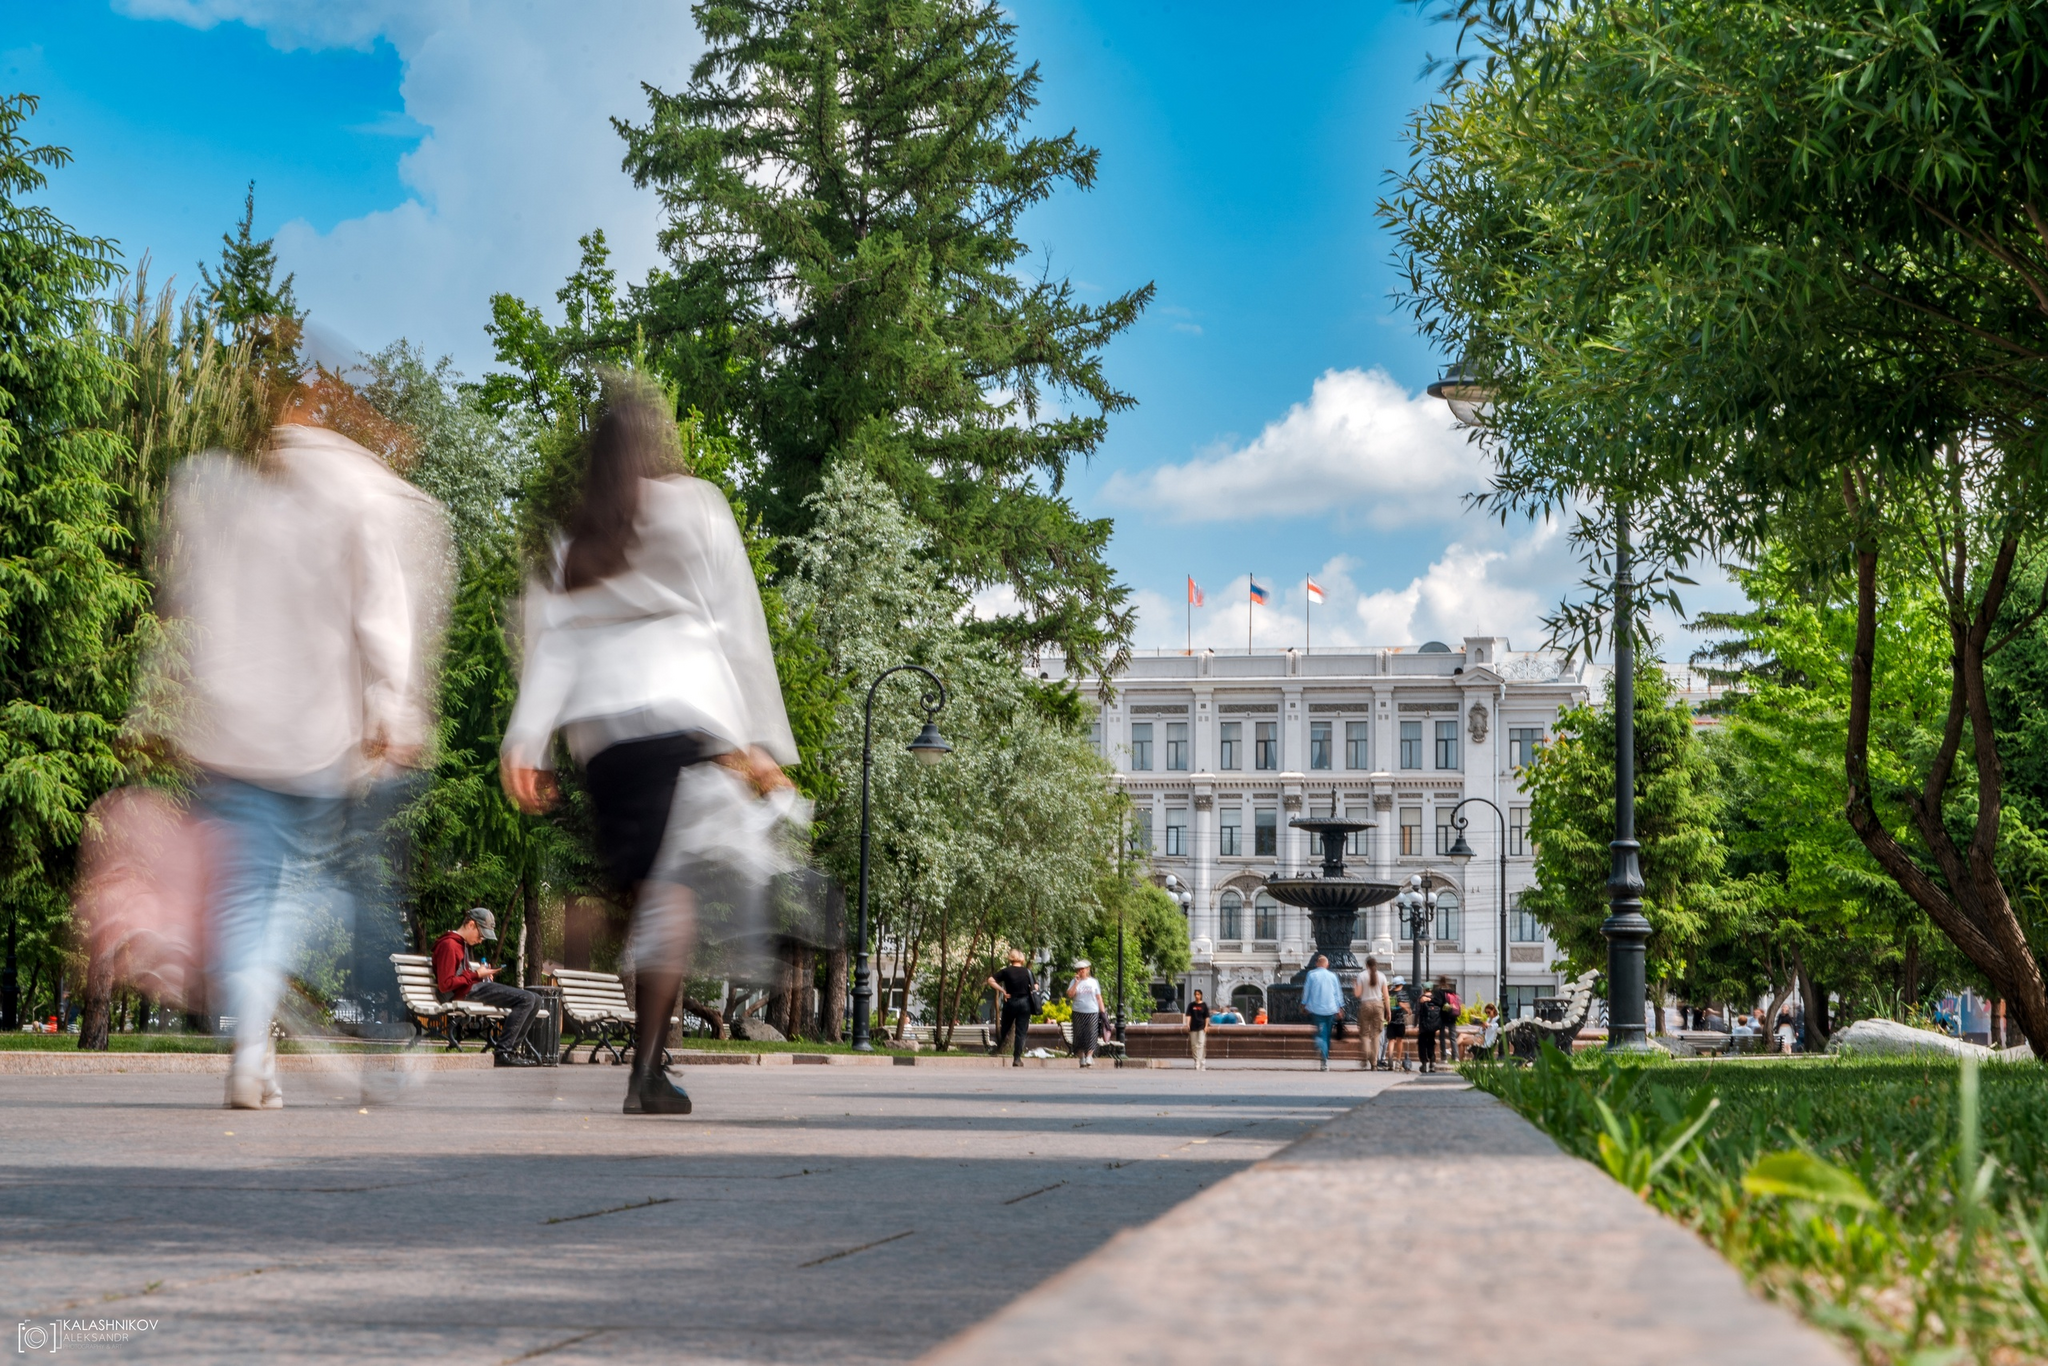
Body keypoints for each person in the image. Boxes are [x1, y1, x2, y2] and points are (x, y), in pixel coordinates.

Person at [151, 380, 451, 1110]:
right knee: (319, 885)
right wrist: (391, 708)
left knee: (247, 896)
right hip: (315, 738)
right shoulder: (357, 490)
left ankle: (252, 1050)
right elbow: (382, 610)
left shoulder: (230, 494)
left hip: (229, 736)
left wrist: (169, 711)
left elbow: (190, 606)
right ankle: (357, 1033)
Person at [501, 390, 797, 1117]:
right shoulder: (696, 505)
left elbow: (555, 641)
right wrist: (757, 740)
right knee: (673, 895)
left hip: (603, 734)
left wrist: (526, 738)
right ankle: (647, 1070)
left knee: (639, 886)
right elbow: (737, 622)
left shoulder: (580, 541)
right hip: (680, 709)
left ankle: (590, 928)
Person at [432, 909, 540, 1065]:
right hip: (467, 993)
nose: (481, 940)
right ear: (471, 925)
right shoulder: (449, 945)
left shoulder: (459, 944)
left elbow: (460, 975)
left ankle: (510, 1052)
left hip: (473, 988)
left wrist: (482, 976)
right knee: (527, 998)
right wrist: (476, 975)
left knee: (536, 999)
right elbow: (445, 985)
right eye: (481, 935)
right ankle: (503, 1052)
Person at [987, 949, 1038, 1067]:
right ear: (1022, 959)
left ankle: (997, 1047)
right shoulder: (1028, 972)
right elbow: (1035, 986)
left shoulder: (1006, 971)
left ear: (1010, 958)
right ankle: (1017, 1058)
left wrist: (1002, 991)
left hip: (1010, 1002)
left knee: (1005, 1027)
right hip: (1025, 1003)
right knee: (1021, 1032)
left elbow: (990, 980)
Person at [1301, 953, 1343, 1072]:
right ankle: (1324, 1058)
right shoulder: (1332, 976)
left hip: (1316, 1009)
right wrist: (1339, 1007)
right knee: (1327, 1034)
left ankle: (1320, 1046)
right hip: (1330, 1009)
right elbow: (1337, 993)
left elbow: (1307, 991)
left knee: (1321, 1033)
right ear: (1327, 964)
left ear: (1316, 964)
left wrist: (1304, 1004)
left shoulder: (1311, 975)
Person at [1066, 960, 1105, 1066]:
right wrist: (1076, 983)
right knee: (1079, 1035)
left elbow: (1098, 997)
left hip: (1092, 1011)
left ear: (1087, 970)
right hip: (1078, 1011)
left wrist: (1103, 1012)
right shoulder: (1074, 981)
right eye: (1079, 970)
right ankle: (1081, 1056)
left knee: (1091, 1034)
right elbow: (1070, 994)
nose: (1080, 971)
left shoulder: (1093, 982)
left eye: (1082, 969)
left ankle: (1089, 1056)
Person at [1354, 960, 1390, 1070]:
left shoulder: (1361, 976)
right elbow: (1386, 996)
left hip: (1365, 1005)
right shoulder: (1382, 976)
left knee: (1364, 1033)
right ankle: (1374, 1063)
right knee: (1376, 1035)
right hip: (1378, 1005)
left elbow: (1357, 994)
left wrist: (1354, 985)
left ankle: (1367, 1054)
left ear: (1366, 965)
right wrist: (1388, 1011)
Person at [1416, 986, 1445, 1074]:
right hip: (1433, 1026)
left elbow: (1417, 1012)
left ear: (1424, 989)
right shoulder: (1437, 999)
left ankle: (1424, 1063)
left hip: (1424, 1026)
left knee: (1422, 1044)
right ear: (1431, 989)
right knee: (1431, 1043)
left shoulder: (1421, 999)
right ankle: (1432, 1062)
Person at [1387, 978, 1411, 1070]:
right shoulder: (1403, 993)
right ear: (1401, 984)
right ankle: (1398, 1060)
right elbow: (1402, 1004)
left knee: (1391, 1040)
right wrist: (1408, 1009)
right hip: (1400, 1020)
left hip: (1390, 1019)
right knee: (1399, 1040)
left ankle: (1390, 1057)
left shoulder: (1390, 993)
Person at [1187, 989, 1211, 1070]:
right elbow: (1188, 1015)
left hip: (1201, 1026)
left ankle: (1199, 1061)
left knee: (1201, 1044)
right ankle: (1198, 1059)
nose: (1197, 996)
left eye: (1198, 994)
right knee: (1194, 1045)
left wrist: (1206, 1026)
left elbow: (1207, 1017)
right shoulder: (1191, 1005)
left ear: (1201, 995)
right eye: (1195, 994)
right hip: (1193, 1027)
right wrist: (1187, 1024)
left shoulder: (1204, 1005)